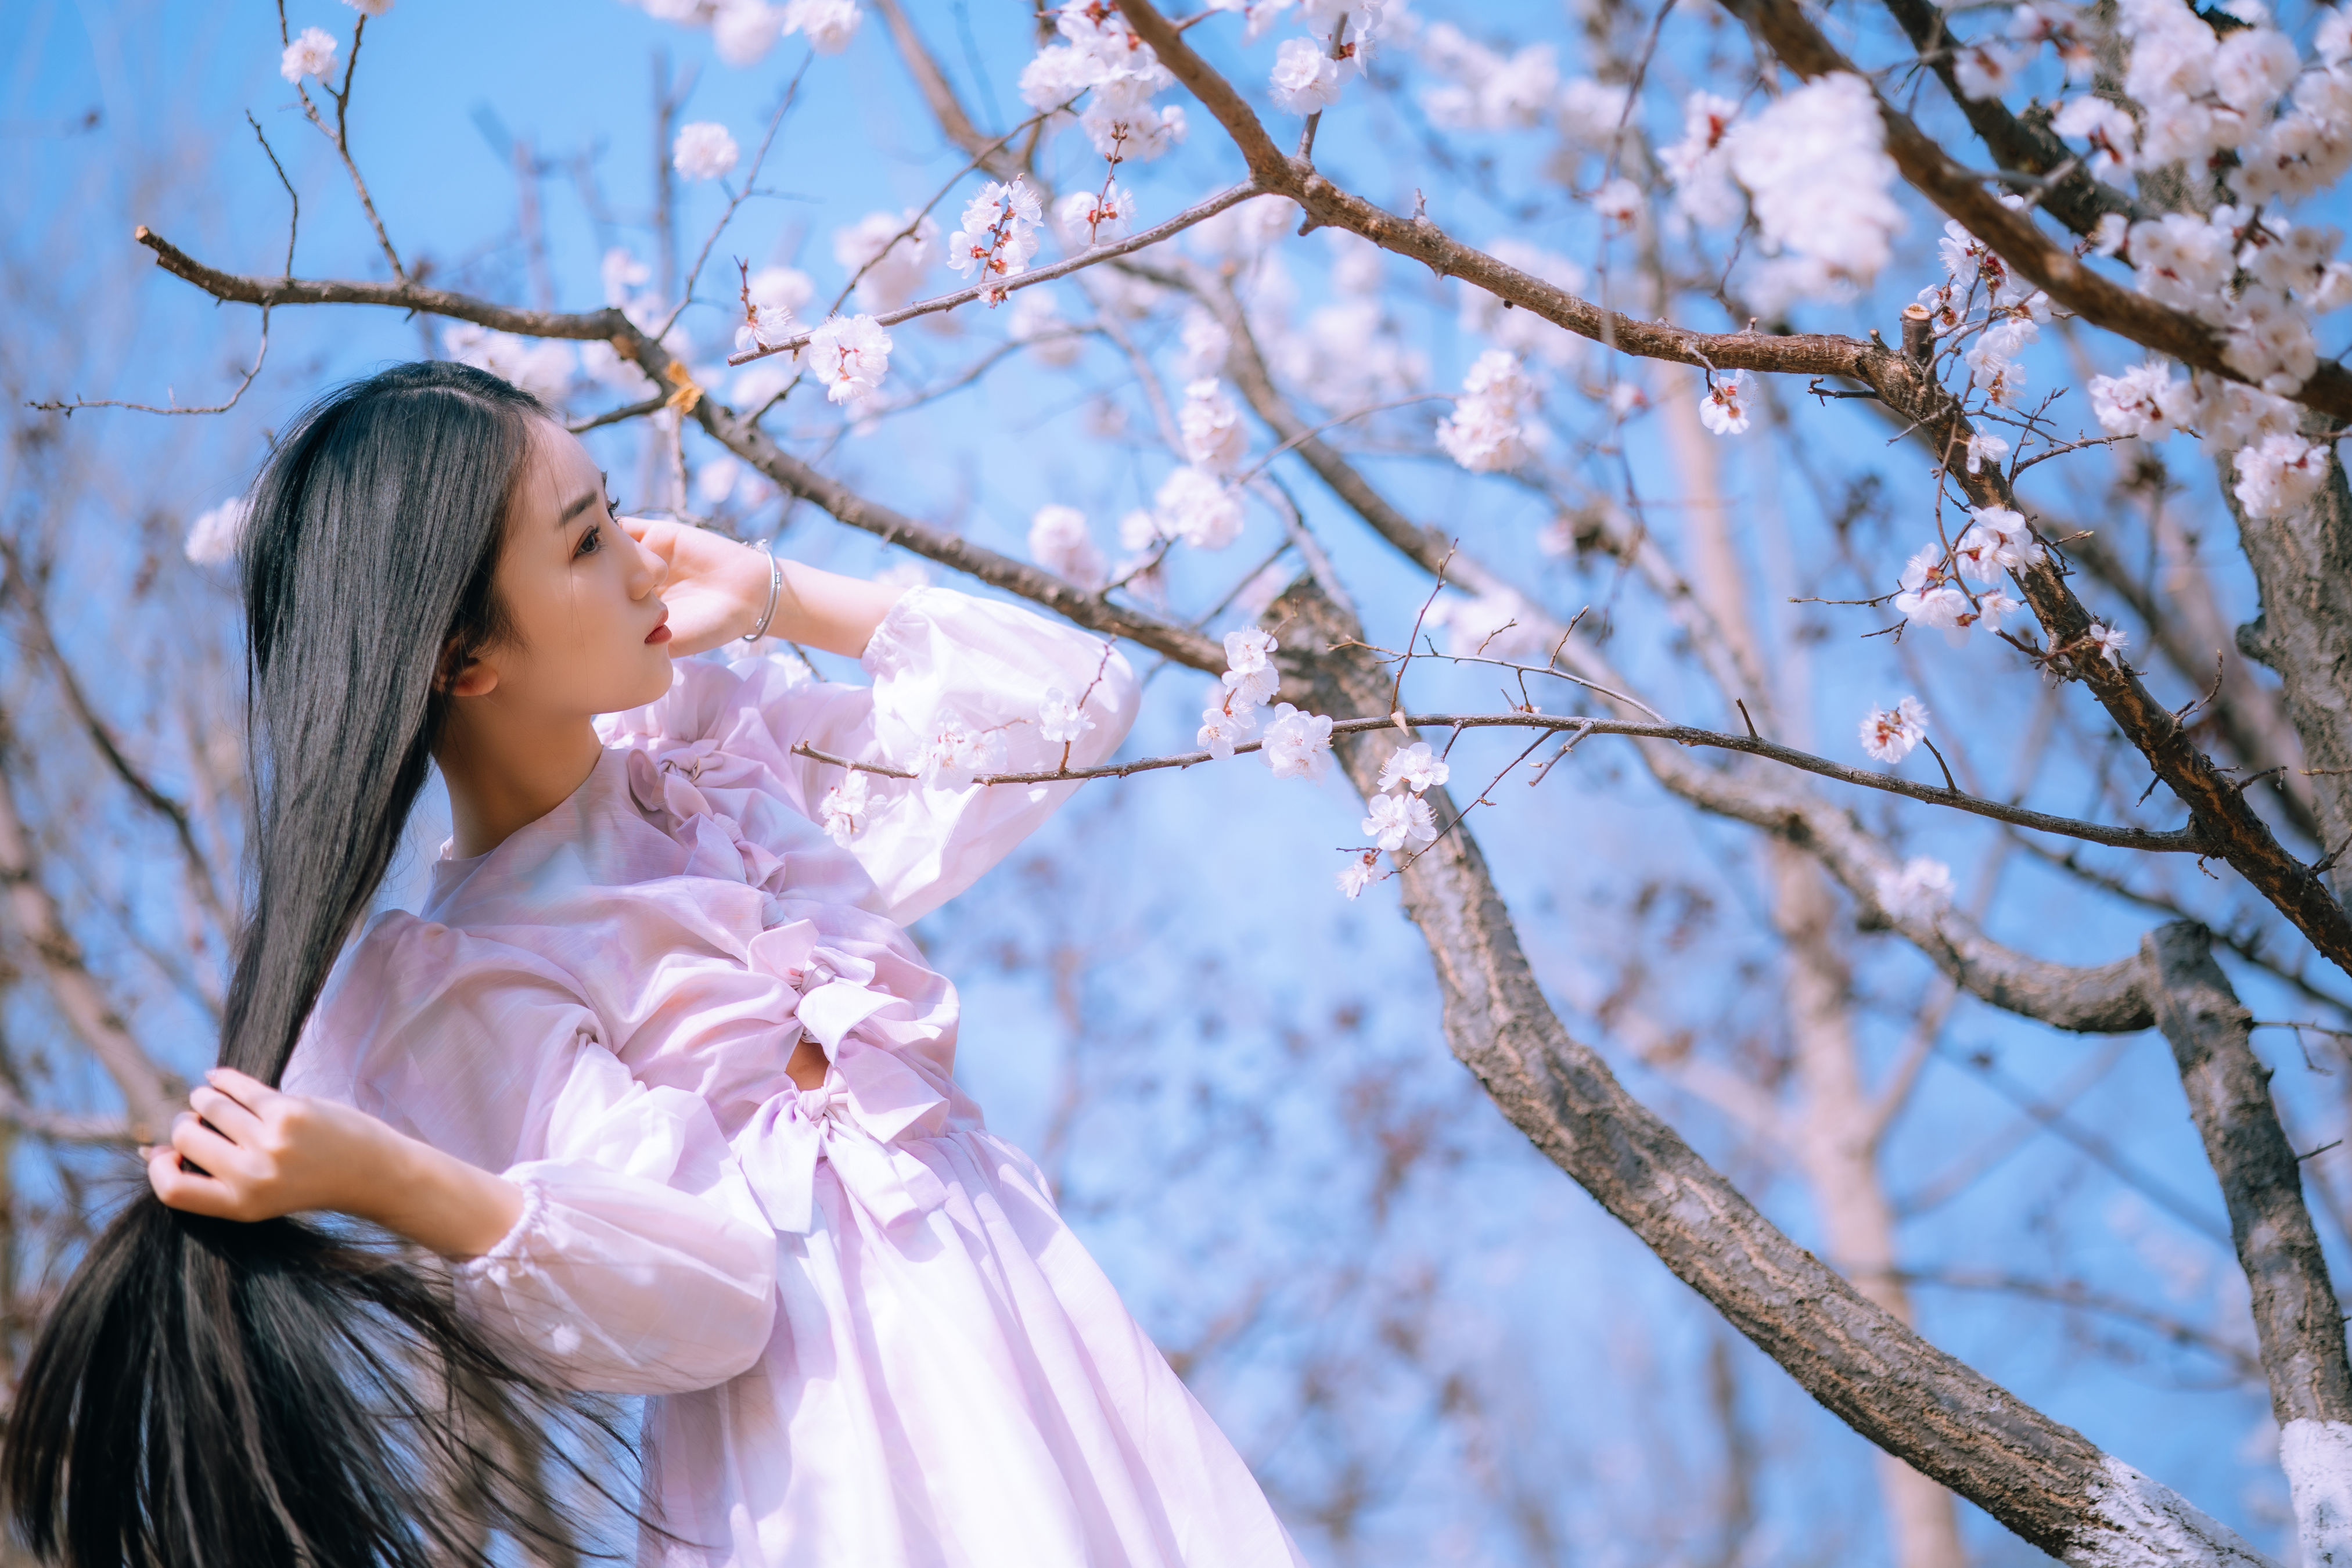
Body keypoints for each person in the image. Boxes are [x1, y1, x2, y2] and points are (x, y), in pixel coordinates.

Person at [2, 361, 1306, 1567]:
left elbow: (1067, 708)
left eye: (613, 512)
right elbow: (712, 1301)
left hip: (1031, 1328)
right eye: (583, 542)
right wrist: (388, 1178)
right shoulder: (468, 977)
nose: (639, 563)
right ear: (465, 656)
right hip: (839, 1429)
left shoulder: (716, 756)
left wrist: (785, 593)